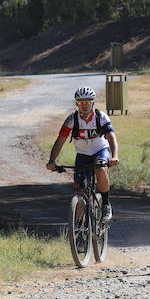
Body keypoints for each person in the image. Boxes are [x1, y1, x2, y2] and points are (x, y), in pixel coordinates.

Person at [47, 85, 118, 221]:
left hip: (100, 151)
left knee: (101, 168)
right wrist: (52, 160)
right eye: (81, 102)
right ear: (76, 104)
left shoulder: (101, 117)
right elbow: (60, 140)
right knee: (79, 190)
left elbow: (111, 137)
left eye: (87, 102)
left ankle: (106, 204)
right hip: (82, 154)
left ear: (92, 103)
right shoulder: (71, 120)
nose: (84, 105)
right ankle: (78, 227)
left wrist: (114, 156)